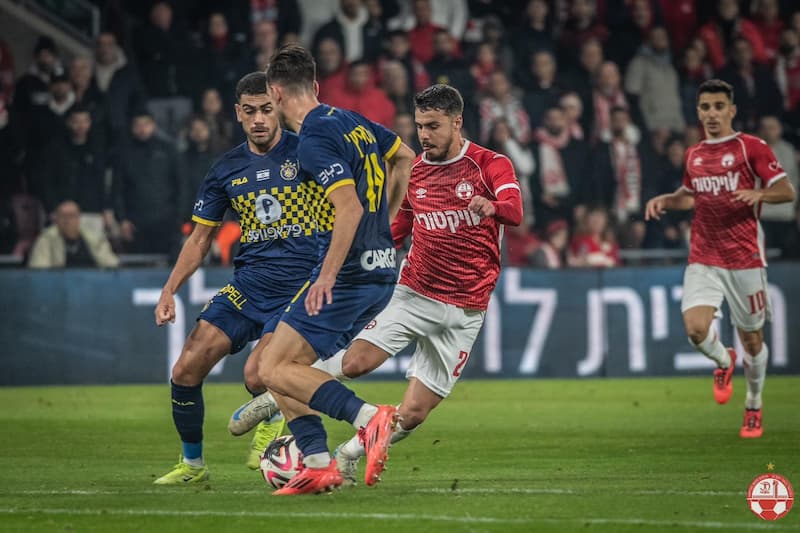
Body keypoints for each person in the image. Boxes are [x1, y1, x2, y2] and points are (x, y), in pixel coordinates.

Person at [234, 84, 523, 486]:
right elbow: (397, 227)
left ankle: (347, 455)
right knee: (356, 363)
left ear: (457, 123)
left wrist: (493, 207)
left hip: (467, 308)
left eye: (433, 126)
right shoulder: (417, 172)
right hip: (414, 292)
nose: (424, 135)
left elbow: (515, 210)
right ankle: (278, 392)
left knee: (416, 413)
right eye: (420, 126)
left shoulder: (490, 164)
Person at [227, 44, 415, 495]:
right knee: (281, 368)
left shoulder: (312, 142)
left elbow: (347, 209)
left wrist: (327, 275)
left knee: (270, 368)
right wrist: (384, 226)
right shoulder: (352, 121)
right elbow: (405, 156)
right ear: (314, 85)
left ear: (273, 93)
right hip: (381, 270)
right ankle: (317, 463)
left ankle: (370, 420)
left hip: (347, 275)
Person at [152, 72, 314, 484]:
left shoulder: (311, 152)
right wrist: (170, 289)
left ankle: (272, 419)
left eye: (265, 109)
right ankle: (193, 466)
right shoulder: (226, 168)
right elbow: (200, 238)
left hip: (301, 286)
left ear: (277, 106)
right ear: (238, 113)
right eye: (250, 111)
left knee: (257, 375)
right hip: (250, 284)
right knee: (186, 367)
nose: (259, 119)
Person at [645, 79, 796, 439]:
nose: (711, 114)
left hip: (744, 257)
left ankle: (754, 405)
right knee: (696, 330)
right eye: (704, 107)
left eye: (717, 107)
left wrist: (757, 193)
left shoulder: (751, 148)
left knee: (754, 341)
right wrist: (667, 200)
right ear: (698, 112)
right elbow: (690, 196)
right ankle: (724, 361)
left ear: (731, 110)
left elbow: (786, 191)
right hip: (704, 254)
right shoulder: (694, 154)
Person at [28, 200, 118, 269]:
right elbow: (39, 270)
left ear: (79, 219)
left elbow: (112, 265)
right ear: (56, 220)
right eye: (63, 216)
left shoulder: (95, 238)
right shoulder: (46, 239)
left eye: (71, 216)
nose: (67, 220)